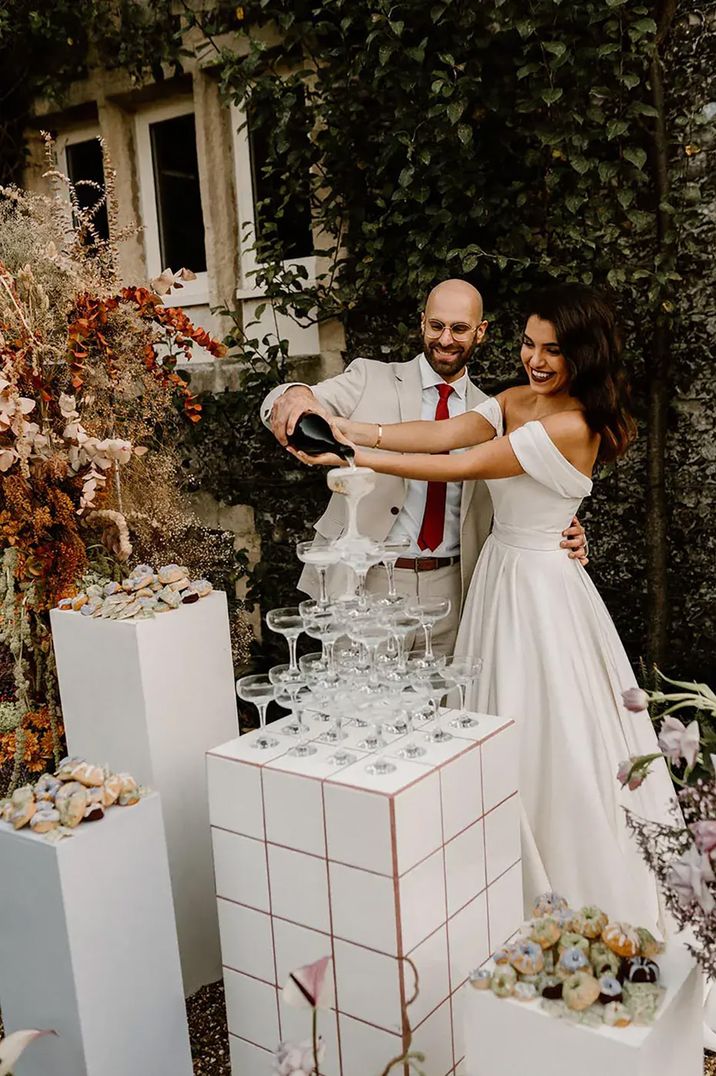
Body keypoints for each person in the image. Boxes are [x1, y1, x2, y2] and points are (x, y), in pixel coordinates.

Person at [290, 283, 675, 927]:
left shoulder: (573, 423)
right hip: (496, 579)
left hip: (540, 591)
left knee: (547, 729)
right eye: (529, 344)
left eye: (554, 350)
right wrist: (350, 425)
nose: (537, 360)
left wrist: (350, 453)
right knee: (480, 717)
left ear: (585, 353)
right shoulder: (517, 399)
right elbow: (445, 430)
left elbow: (460, 463)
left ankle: (554, 877)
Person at [261, 279, 587, 655]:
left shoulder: (496, 411)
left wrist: (559, 529)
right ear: (422, 324)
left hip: (454, 588)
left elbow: (527, 481)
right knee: (363, 708)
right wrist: (294, 396)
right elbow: (296, 400)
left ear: (480, 333)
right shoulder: (370, 377)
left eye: (459, 329)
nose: (445, 339)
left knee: (445, 707)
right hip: (368, 581)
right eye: (436, 326)